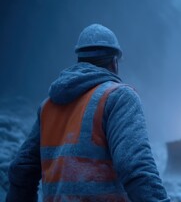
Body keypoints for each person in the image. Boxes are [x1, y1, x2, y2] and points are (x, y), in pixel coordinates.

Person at [7, 24, 170, 201]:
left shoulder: (48, 106)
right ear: (114, 62)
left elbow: (22, 169)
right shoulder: (118, 97)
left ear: (80, 60)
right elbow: (137, 168)